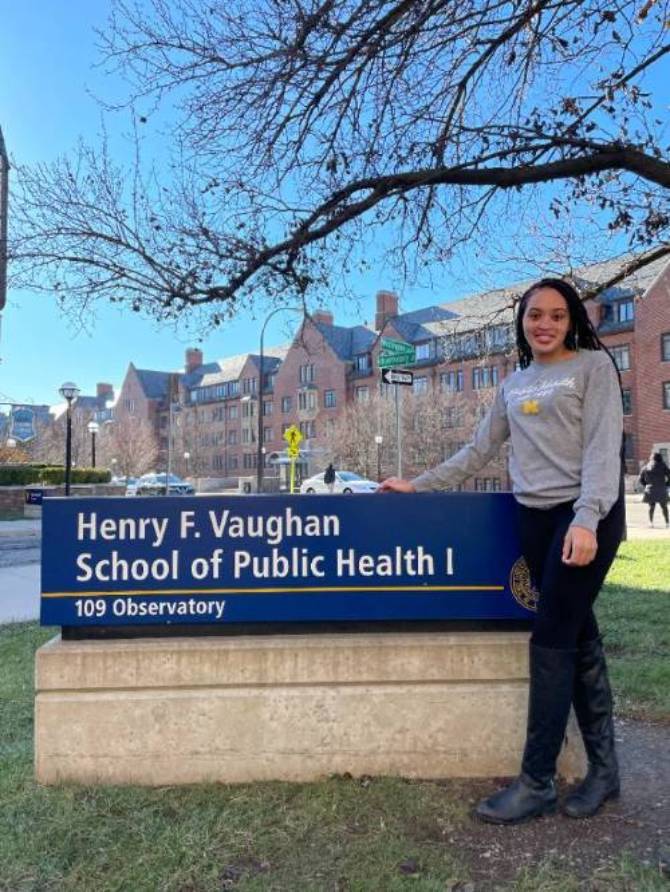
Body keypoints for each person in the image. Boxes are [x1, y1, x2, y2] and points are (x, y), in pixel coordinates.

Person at [379, 278, 625, 824]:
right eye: (535, 315)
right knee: (578, 634)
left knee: (551, 637)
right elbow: (478, 450)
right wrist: (418, 484)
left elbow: (603, 448)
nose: (545, 324)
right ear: (522, 321)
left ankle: (537, 782)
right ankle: (605, 772)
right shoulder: (513, 383)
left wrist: (587, 518)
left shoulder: (592, 368)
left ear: (572, 321)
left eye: (557, 315)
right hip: (533, 520)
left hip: (583, 520)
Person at [638, 452, 670, 528]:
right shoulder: (663, 466)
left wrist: (646, 485)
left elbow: (640, 479)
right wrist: (667, 484)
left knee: (651, 507)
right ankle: (667, 523)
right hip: (661, 488)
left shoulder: (646, 466)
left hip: (650, 489)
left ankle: (651, 523)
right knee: (664, 507)